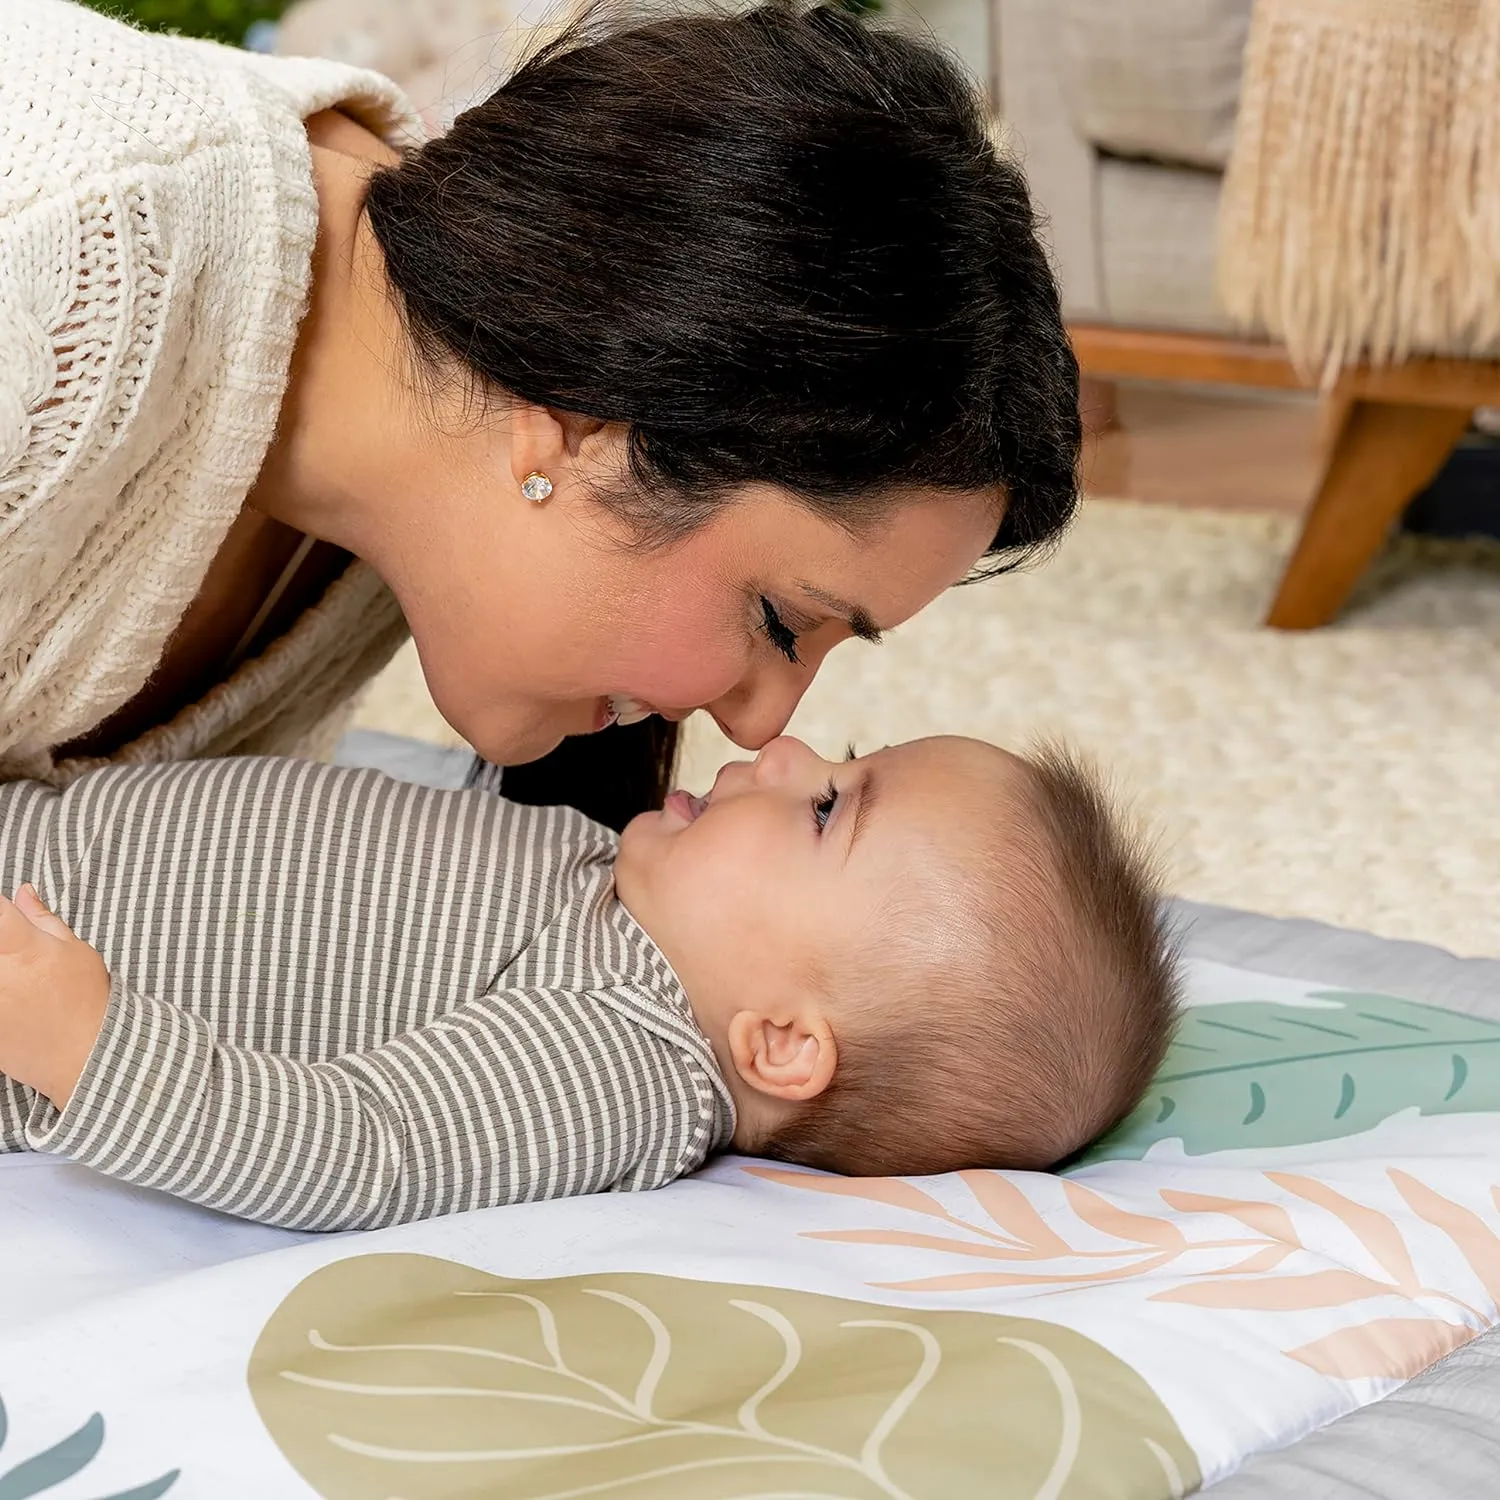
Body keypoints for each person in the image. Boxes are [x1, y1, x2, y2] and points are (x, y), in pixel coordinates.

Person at [0, 0, 1081, 833]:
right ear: (580, 416)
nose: (759, 727)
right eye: (780, 622)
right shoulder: (47, 252)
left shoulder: (418, 461)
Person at [0, 736, 1178, 1230]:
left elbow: (363, 1150)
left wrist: (83, 1043)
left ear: (777, 1042)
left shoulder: (619, 1062)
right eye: (848, 752)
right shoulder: (627, 898)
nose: (786, 751)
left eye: (827, 806)